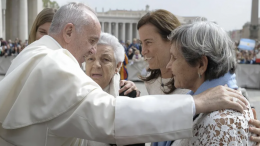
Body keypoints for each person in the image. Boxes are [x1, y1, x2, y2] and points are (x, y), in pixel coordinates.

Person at [0, 3, 248, 146]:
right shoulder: (52, 62)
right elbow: (109, 116)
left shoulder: (36, 53)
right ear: (68, 32)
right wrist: (195, 103)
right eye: (92, 40)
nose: (92, 51)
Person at [137, 9, 260, 144]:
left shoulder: (221, 122)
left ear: (201, 64)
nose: (169, 66)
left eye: (175, 57)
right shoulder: (162, 82)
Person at [83, 32, 143, 146]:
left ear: (117, 66)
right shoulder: (74, 91)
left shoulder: (128, 96)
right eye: (90, 59)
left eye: (105, 59)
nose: (96, 65)